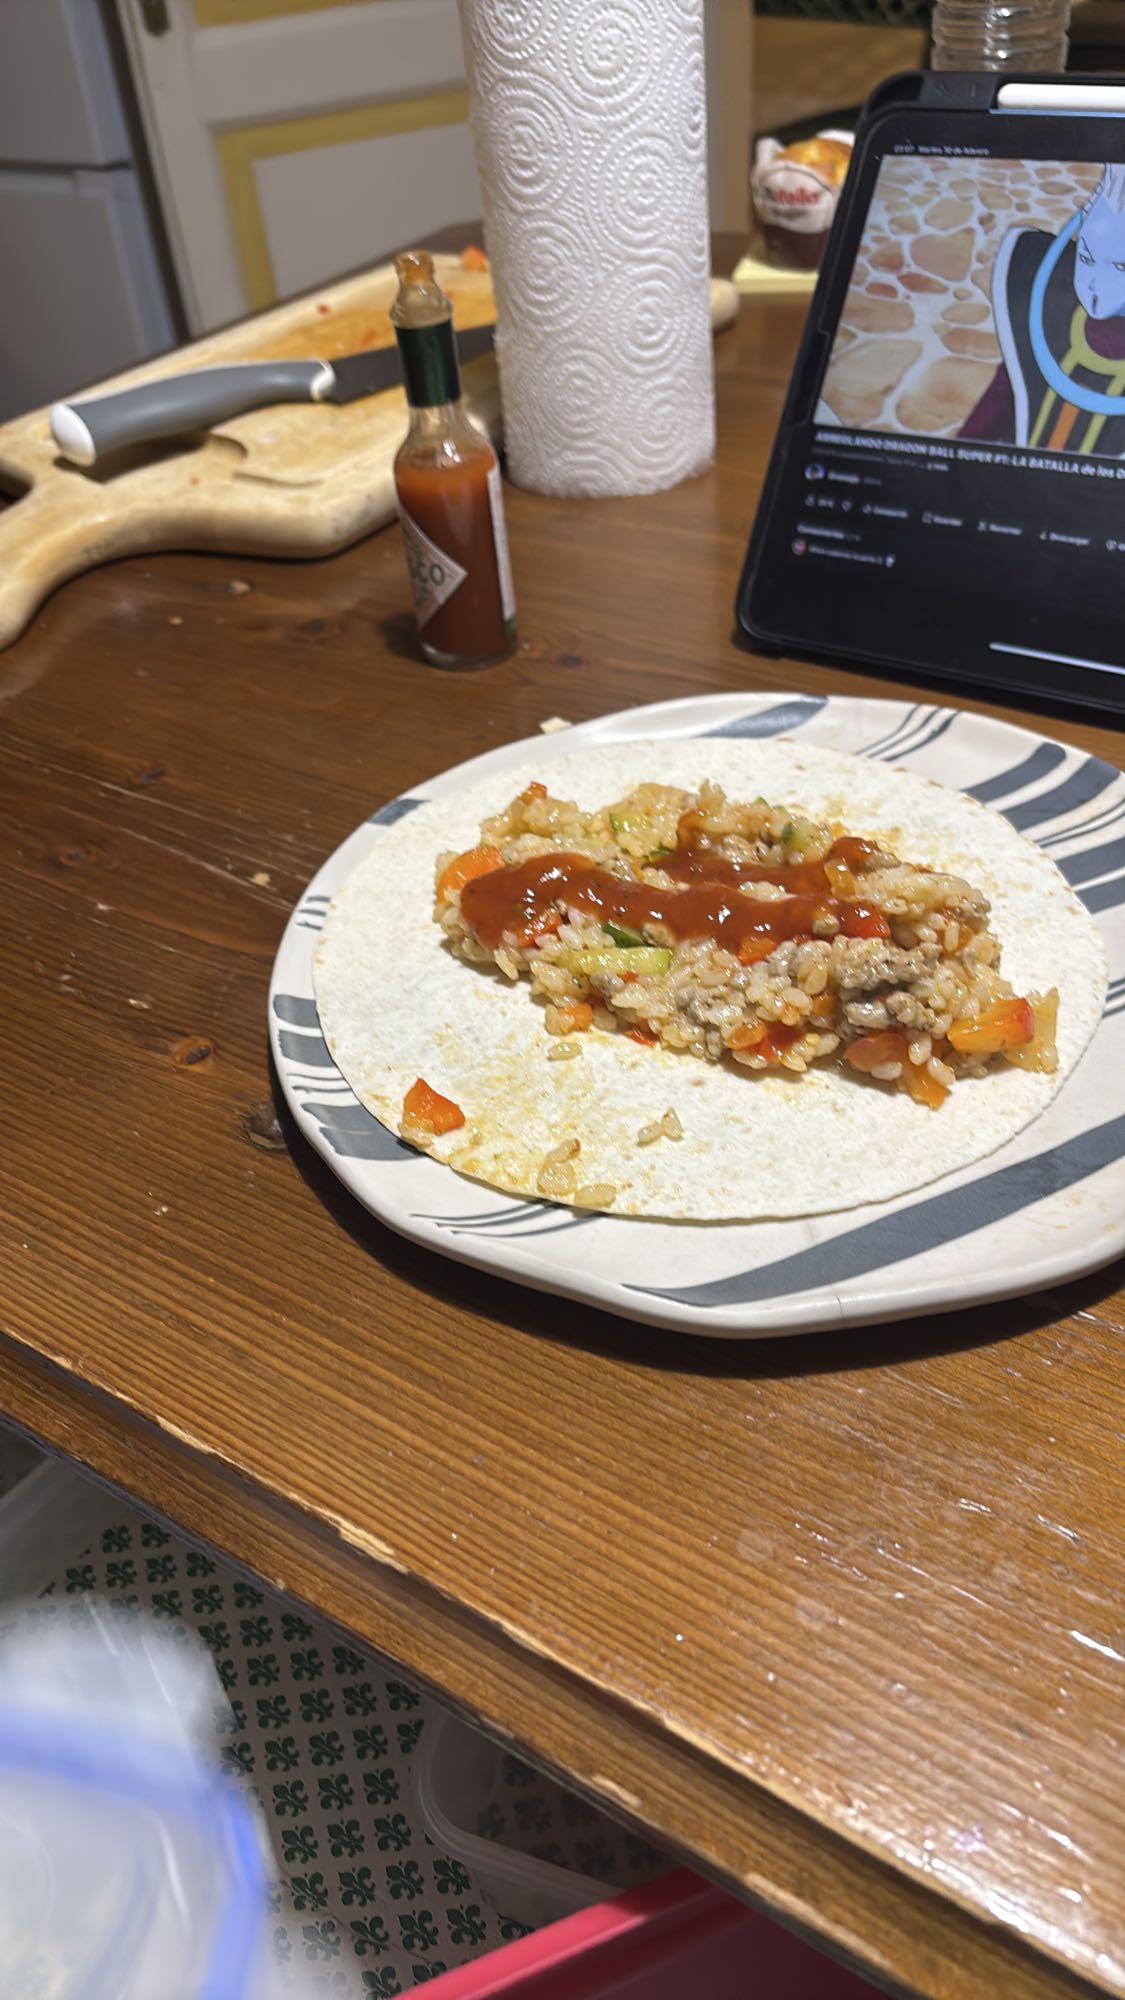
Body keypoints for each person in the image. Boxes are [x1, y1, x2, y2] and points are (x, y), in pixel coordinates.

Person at [960, 163, 1125, 454]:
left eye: (1120, 267)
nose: (1094, 284)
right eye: (1086, 257)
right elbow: (1002, 398)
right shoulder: (1044, 315)